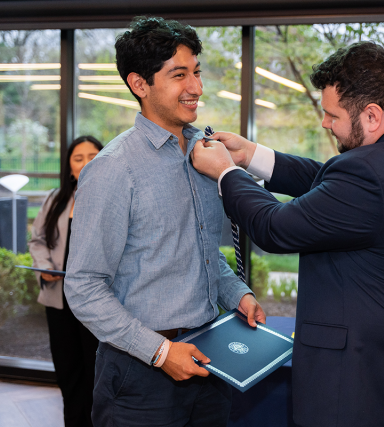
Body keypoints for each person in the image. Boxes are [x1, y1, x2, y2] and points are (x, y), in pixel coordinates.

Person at [191, 41, 384, 427]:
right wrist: (253, 156)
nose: (325, 124)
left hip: (377, 387)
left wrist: (227, 172)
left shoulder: (373, 175)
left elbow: (275, 228)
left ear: (372, 116)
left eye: (333, 115)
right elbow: (332, 186)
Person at [64, 16, 264, 427]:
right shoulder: (113, 169)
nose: (196, 88)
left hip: (211, 359)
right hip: (140, 375)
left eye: (196, 73)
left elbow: (204, 254)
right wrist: (158, 352)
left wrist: (237, 294)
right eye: (179, 75)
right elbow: (82, 286)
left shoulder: (204, 153)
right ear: (140, 84)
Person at [29, 135, 103, 427]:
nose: (86, 163)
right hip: (59, 301)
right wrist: (45, 267)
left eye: (93, 156)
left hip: (97, 303)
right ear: (69, 166)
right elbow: (37, 241)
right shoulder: (55, 199)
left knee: (96, 374)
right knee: (68, 373)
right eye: (78, 158)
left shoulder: (112, 198)